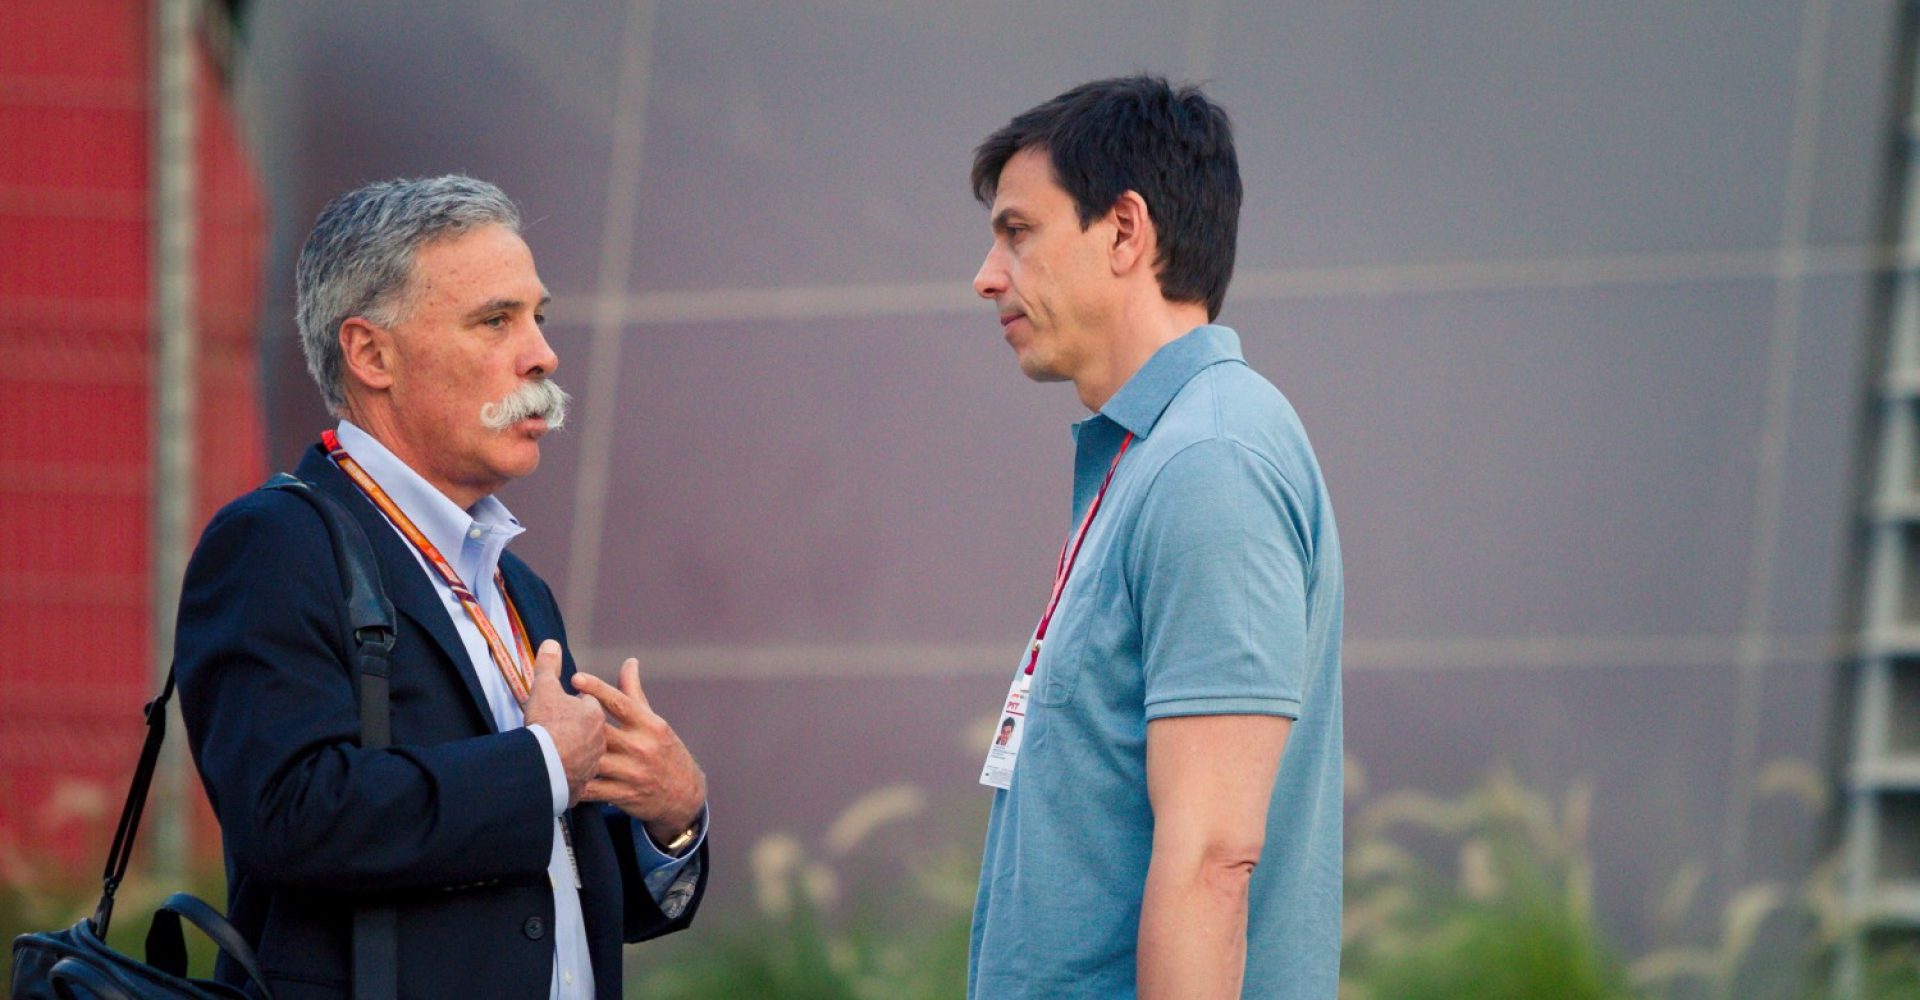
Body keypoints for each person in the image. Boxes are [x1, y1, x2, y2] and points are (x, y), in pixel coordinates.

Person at [175, 175, 709, 998]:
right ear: (371, 354)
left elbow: (549, 884)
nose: (541, 353)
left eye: (538, 317)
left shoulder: (513, 583)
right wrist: (540, 767)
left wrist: (669, 816)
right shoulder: (276, 543)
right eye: (496, 320)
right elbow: (289, 816)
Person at [966, 77, 1343, 999]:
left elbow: (1215, 858)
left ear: (1125, 231)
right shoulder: (1156, 454)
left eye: (1018, 232)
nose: (985, 275)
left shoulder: (1208, 460)